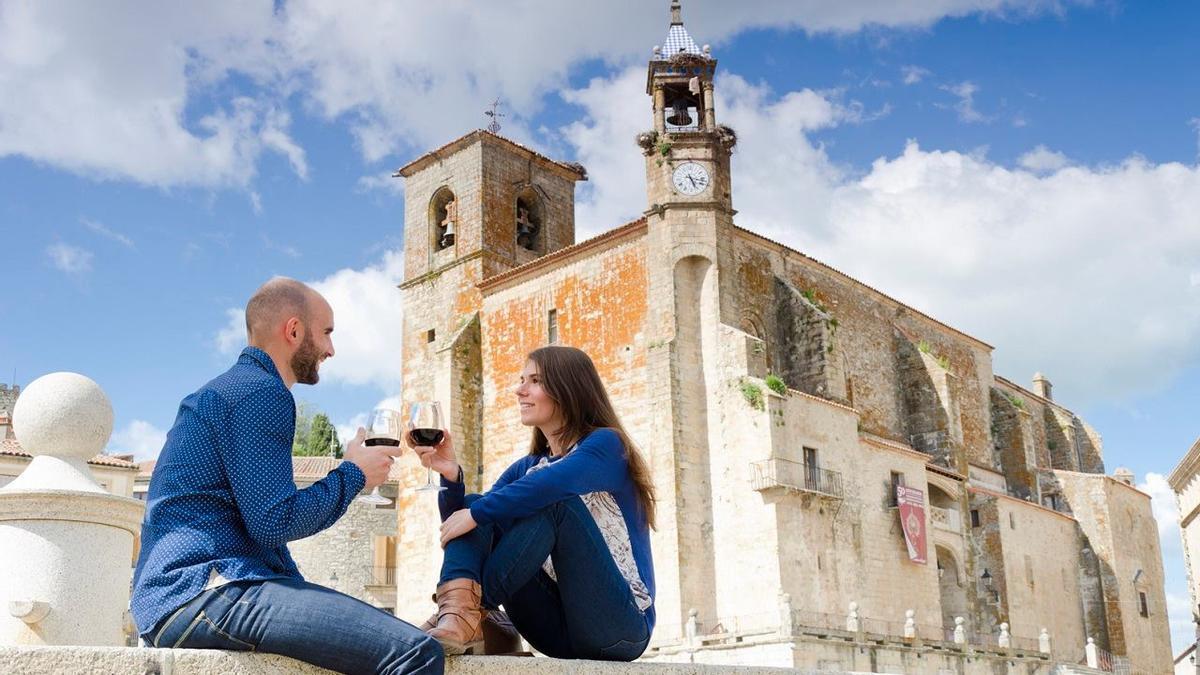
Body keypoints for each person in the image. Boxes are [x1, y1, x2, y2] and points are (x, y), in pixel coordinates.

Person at [130, 277, 443, 675]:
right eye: (327, 332)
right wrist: (354, 476)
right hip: (202, 590)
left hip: (174, 597)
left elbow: (256, 519)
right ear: (294, 330)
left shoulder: (225, 391)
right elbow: (274, 521)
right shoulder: (262, 392)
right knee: (415, 652)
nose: (331, 349)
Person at [408, 345, 656, 660]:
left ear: (568, 389)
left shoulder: (606, 445)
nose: (519, 390)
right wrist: (451, 477)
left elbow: (553, 484)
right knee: (476, 505)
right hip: (552, 631)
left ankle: (464, 615)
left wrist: (477, 511)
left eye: (535, 381)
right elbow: (466, 529)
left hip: (619, 628)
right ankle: (459, 614)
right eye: (521, 379)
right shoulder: (526, 468)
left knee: (551, 503)